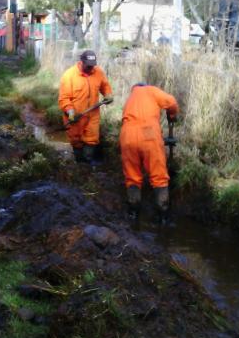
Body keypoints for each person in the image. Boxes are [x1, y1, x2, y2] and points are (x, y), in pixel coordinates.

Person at [120, 83, 179, 222]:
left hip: (127, 135)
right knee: (159, 176)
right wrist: (172, 114)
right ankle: (163, 217)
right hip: (149, 133)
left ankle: (133, 215)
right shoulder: (151, 90)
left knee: (132, 176)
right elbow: (172, 102)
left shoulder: (130, 99)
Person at [58, 50, 113, 164]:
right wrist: (70, 111)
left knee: (92, 139)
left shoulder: (98, 72)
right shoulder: (69, 75)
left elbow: (105, 86)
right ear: (81, 62)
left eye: (92, 66)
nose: (90, 68)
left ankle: (88, 164)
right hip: (75, 116)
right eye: (88, 66)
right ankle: (80, 163)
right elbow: (64, 98)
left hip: (93, 114)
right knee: (76, 140)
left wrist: (108, 95)